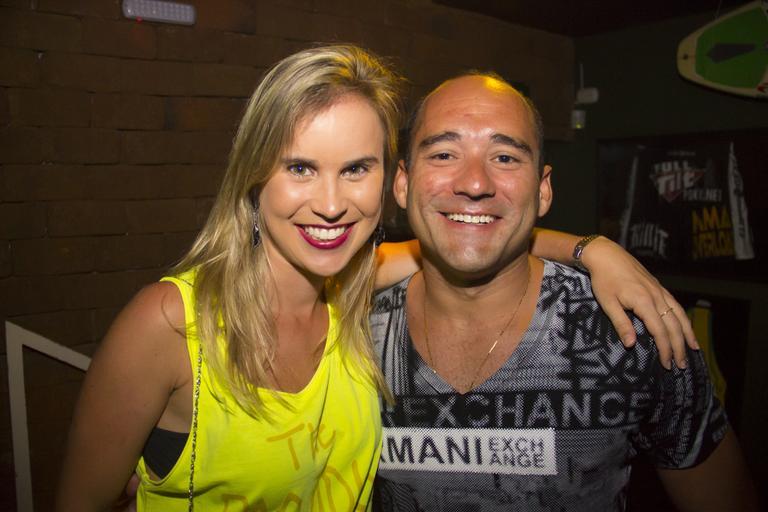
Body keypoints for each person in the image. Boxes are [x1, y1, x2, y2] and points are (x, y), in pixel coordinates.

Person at [56, 45, 698, 511]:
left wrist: (593, 250)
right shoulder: (169, 325)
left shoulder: (356, 289)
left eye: (356, 168)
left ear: (388, 182)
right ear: (254, 176)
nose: (331, 203)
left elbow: (473, 230)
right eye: (301, 168)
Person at [371, 73, 759, 511]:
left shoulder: (631, 330)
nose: (475, 183)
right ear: (402, 183)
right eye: (444, 154)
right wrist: (587, 247)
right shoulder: (349, 329)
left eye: (505, 157)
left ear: (543, 190)